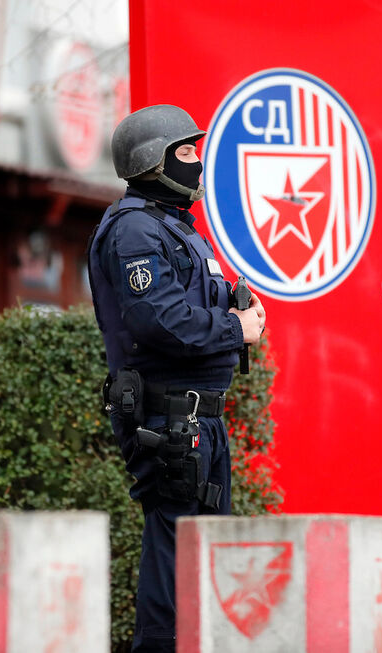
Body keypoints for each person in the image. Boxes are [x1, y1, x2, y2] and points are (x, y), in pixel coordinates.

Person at [87, 104, 266, 652]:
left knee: (207, 549)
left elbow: (186, 310)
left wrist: (234, 313)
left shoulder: (175, 229)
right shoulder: (136, 230)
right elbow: (160, 321)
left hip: (195, 417)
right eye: (186, 152)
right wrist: (236, 327)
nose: (198, 162)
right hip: (169, 418)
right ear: (151, 161)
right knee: (176, 551)